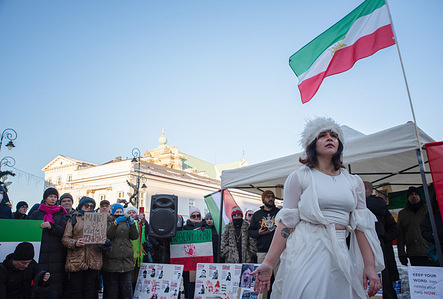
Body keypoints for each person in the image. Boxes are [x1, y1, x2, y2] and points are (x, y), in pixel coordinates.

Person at [251, 117, 383, 298]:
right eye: (322, 135)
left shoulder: (354, 182)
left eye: (334, 135)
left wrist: (369, 266)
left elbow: (362, 227)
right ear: (312, 144)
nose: (330, 138)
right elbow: (286, 225)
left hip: (340, 251)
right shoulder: (299, 177)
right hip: (307, 248)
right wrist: (268, 262)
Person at [28, 187, 67, 299]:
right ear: (45, 198)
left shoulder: (61, 214)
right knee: (40, 281)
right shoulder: (36, 213)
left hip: (56, 253)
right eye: (50, 196)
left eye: (55, 197)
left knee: (55, 283)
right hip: (40, 253)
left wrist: (51, 226)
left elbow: (64, 231)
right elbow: (30, 229)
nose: (53, 199)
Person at [62, 196, 103, 298]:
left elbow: (104, 238)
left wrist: (103, 242)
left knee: (91, 291)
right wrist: (75, 243)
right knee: (76, 291)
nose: (89, 207)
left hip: (93, 260)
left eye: (91, 206)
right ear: (81, 206)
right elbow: (65, 239)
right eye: (86, 205)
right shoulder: (73, 219)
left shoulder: (98, 220)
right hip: (76, 261)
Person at [364, 181, 399, 299]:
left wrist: (383, 239)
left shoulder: (378, 206)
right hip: (364, 248)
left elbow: (394, 228)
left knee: (383, 280)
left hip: (380, 249)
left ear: (370, 191)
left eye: (364, 189)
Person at [102, 203, 138, 299]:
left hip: (126, 259)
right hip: (112, 259)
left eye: (120, 211)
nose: (119, 213)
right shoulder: (108, 221)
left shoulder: (126, 221)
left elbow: (134, 236)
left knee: (126, 288)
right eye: (117, 212)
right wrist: (115, 223)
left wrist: (132, 224)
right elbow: (109, 235)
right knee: (112, 288)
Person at [248, 190, 279, 298]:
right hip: (262, 251)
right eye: (268, 197)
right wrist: (258, 232)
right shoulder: (257, 215)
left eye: (272, 197)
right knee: (263, 280)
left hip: (278, 251)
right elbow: (250, 231)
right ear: (263, 199)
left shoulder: (279, 212)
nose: (271, 199)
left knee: (279, 279)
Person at [397, 186, 431, 266]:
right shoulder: (403, 213)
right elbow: (400, 235)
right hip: (413, 253)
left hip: (430, 251)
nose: (414, 196)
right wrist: (401, 254)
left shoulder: (429, 210)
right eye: (411, 194)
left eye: (416, 194)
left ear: (420, 196)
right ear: (408, 197)